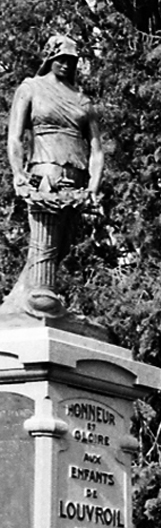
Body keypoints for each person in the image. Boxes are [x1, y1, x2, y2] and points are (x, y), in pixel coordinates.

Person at [7, 30, 105, 315]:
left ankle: (23, 300)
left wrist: (94, 188)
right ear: (50, 56)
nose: (66, 65)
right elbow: (14, 136)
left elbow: (97, 149)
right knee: (44, 245)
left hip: (77, 182)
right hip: (45, 175)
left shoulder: (83, 101)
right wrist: (18, 174)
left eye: (71, 61)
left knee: (61, 248)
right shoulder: (31, 88)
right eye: (61, 58)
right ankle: (40, 298)